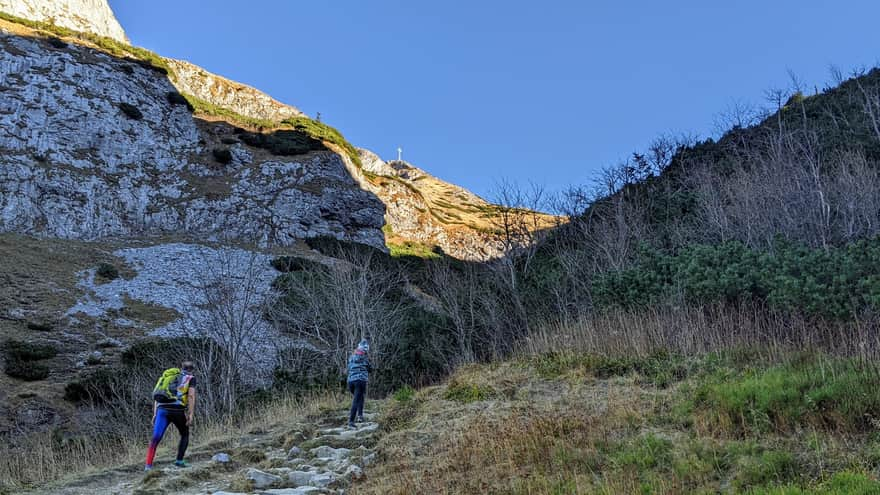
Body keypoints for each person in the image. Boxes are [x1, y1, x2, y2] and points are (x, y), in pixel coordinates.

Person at [145, 361, 197, 470]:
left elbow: (158, 395)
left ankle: (148, 466)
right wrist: (191, 414)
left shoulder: (168, 377)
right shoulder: (190, 378)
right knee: (184, 434)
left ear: (181, 367)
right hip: (177, 410)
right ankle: (179, 460)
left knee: (155, 438)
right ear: (192, 369)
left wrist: (155, 413)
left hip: (161, 410)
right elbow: (191, 396)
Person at [346, 339, 371, 428]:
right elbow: (370, 369)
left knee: (359, 397)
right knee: (356, 400)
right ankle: (351, 422)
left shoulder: (351, 357)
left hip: (350, 381)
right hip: (360, 381)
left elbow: (348, 368)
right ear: (365, 350)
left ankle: (360, 416)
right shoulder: (365, 359)